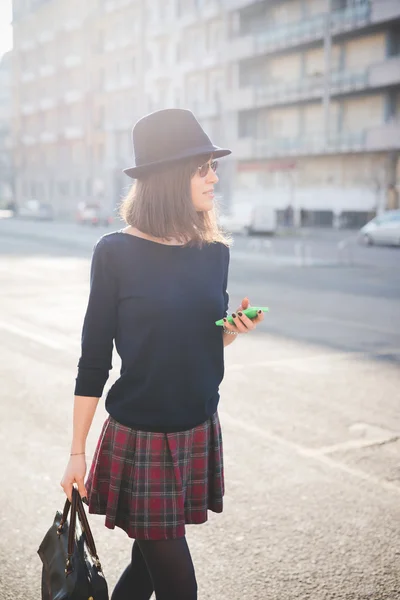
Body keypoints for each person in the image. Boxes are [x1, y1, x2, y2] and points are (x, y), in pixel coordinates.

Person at [60, 108, 265, 600]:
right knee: (179, 586)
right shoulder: (114, 253)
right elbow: (93, 361)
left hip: (197, 427)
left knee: (148, 566)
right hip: (142, 439)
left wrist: (232, 330)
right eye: (203, 167)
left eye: (214, 166)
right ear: (172, 177)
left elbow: (203, 337)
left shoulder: (214, 251)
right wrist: (75, 452)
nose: (215, 176)